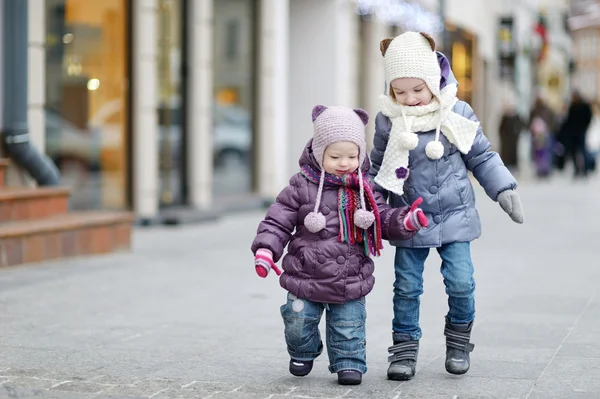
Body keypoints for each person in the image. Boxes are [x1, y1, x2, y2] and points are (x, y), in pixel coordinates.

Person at [370, 32, 524, 381]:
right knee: (406, 286)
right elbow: (376, 169)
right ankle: (405, 351)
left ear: (434, 81)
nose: (409, 99)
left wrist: (503, 189)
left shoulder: (456, 112)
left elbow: (481, 155)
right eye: (400, 91)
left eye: (417, 89)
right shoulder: (387, 121)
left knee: (460, 281)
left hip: (455, 214)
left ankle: (458, 342)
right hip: (409, 217)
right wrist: (370, 210)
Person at [251, 105, 427, 385]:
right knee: (298, 322)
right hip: (304, 274)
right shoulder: (301, 185)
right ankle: (303, 349)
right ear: (319, 153)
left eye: (352, 156)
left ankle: (348, 361)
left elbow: (381, 217)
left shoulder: (364, 188)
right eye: (335, 156)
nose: (344, 163)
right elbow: (278, 219)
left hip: (349, 276)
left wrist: (405, 221)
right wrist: (266, 249)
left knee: (349, 325)